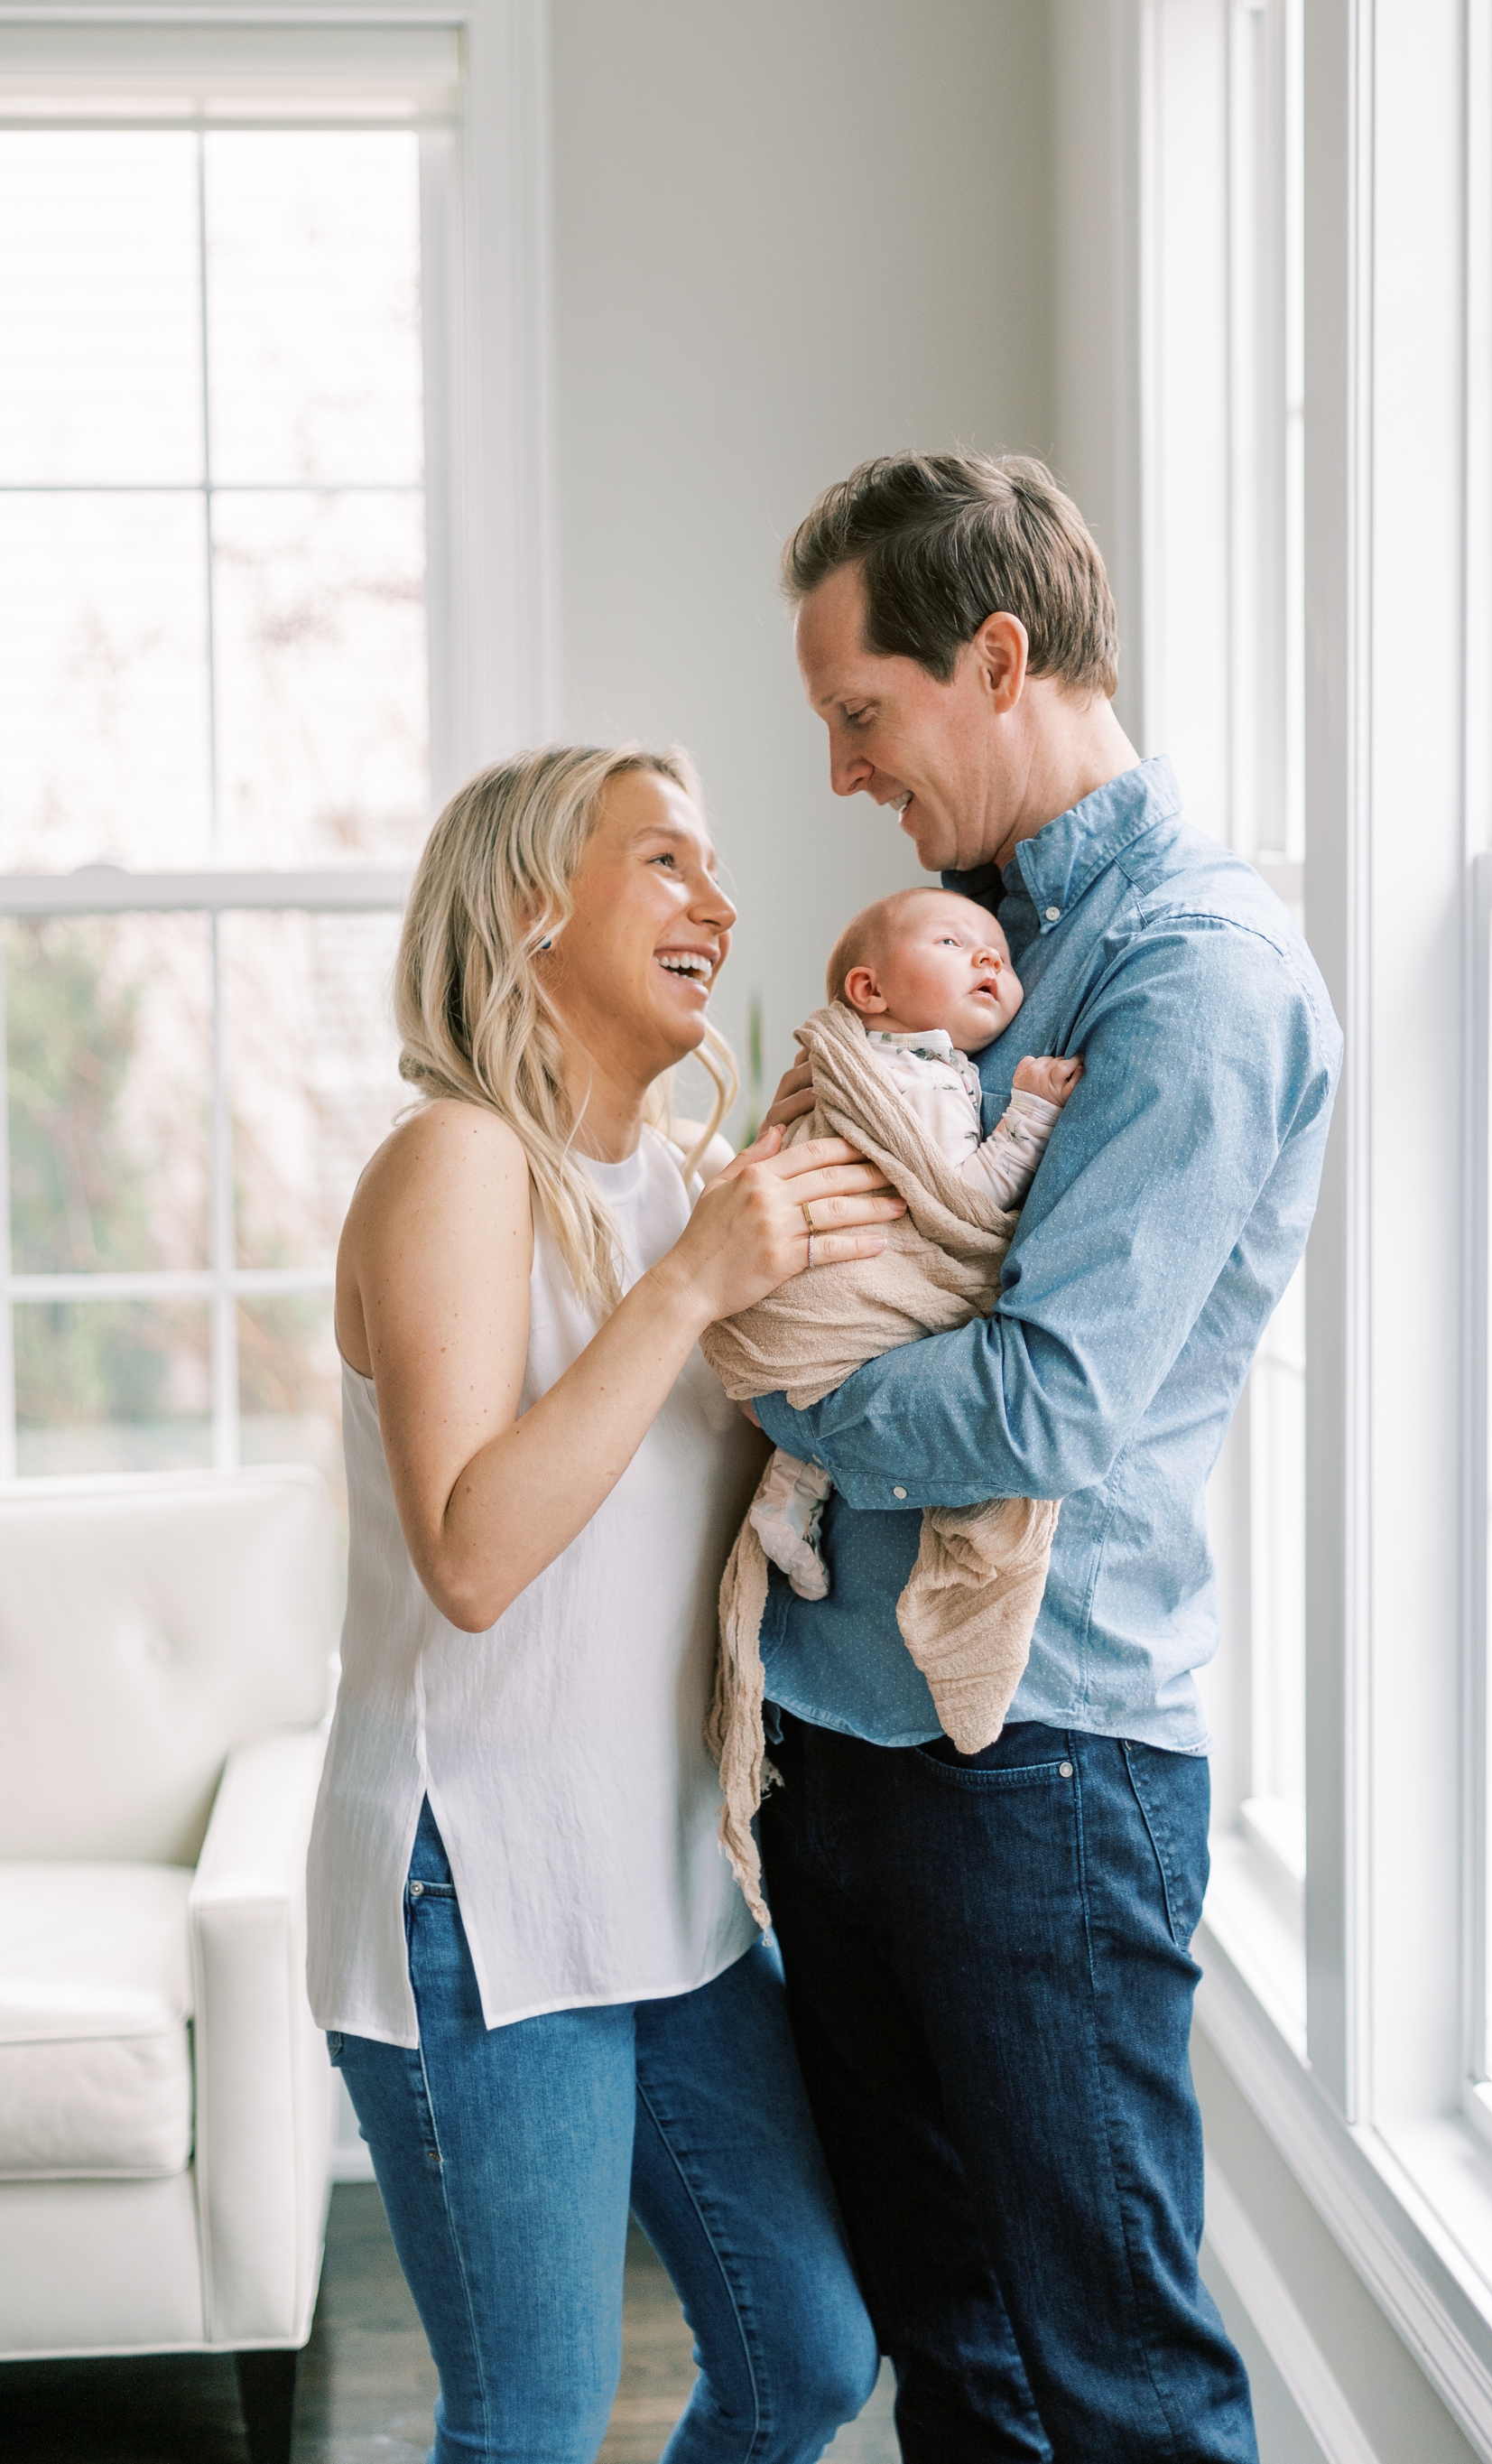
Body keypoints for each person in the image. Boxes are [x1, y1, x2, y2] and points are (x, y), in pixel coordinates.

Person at [750, 453, 1343, 2464]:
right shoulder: (939, 951)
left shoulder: (1195, 971)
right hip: (843, 1732)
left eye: (861, 714)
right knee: (957, 2349)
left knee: (1117, 2386)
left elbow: (1041, 1401)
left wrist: (775, 1382)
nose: (840, 771)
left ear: (996, 658)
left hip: (1046, 1769)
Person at [306, 744, 900, 2464]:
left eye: (714, 867)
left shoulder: (677, 1191)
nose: (717, 900)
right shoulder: (458, 1160)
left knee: (803, 2351)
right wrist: (696, 1281)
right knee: (534, 2419)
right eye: (662, 860)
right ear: (527, 905)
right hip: (473, 1883)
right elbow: (475, 1557)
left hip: (664, 1879)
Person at [748, 882, 1082, 1602]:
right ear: (868, 989)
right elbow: (959, 1200)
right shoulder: (920, 1076)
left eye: (996, 949)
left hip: (842, 1259)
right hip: (865, 1260)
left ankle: (787, 1492)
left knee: (843, 1365)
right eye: (952, 942)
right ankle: (788, 1494)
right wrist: (1029, 1116)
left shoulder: (892, 1061)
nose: (988, 954)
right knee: (876, 1342)